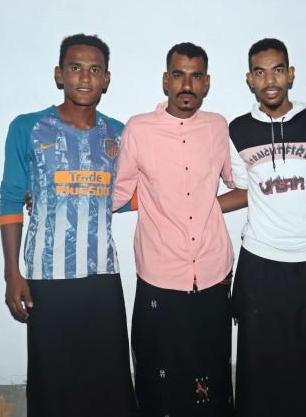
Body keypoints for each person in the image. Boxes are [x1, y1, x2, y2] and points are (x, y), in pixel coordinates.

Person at [0, 34, 137, 417]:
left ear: (106, 79)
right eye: (75, 67)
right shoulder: (27, 128)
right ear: (59, 74)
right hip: (46, 277)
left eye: (95, 69)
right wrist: (12, 273)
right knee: (53, 383)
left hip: (102, 276)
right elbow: (10, 200)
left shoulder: (120, 134)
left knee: (108, 382)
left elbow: (128, 195)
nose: (85, 77)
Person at [219, 38, 306, 417]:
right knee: (261, 370)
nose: (269, 80)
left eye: (277, 70)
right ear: (250, 80)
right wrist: (196, 208)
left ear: (290, 74)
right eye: (260, 72)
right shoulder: (239, 130)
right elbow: (245, 191)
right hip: (260, 264)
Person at [112, 42, 235, 417]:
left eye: (196, 76)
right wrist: (57, 197)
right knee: (159, 375)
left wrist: (206, 206)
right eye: (179, 75)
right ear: (166, 80)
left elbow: (242, 183)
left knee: (212, 374)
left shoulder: (217, 127)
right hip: (160, 274)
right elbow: (118, 191)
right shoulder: (139, 129)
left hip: (212, 271)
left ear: (206, 82)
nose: (187, 85)